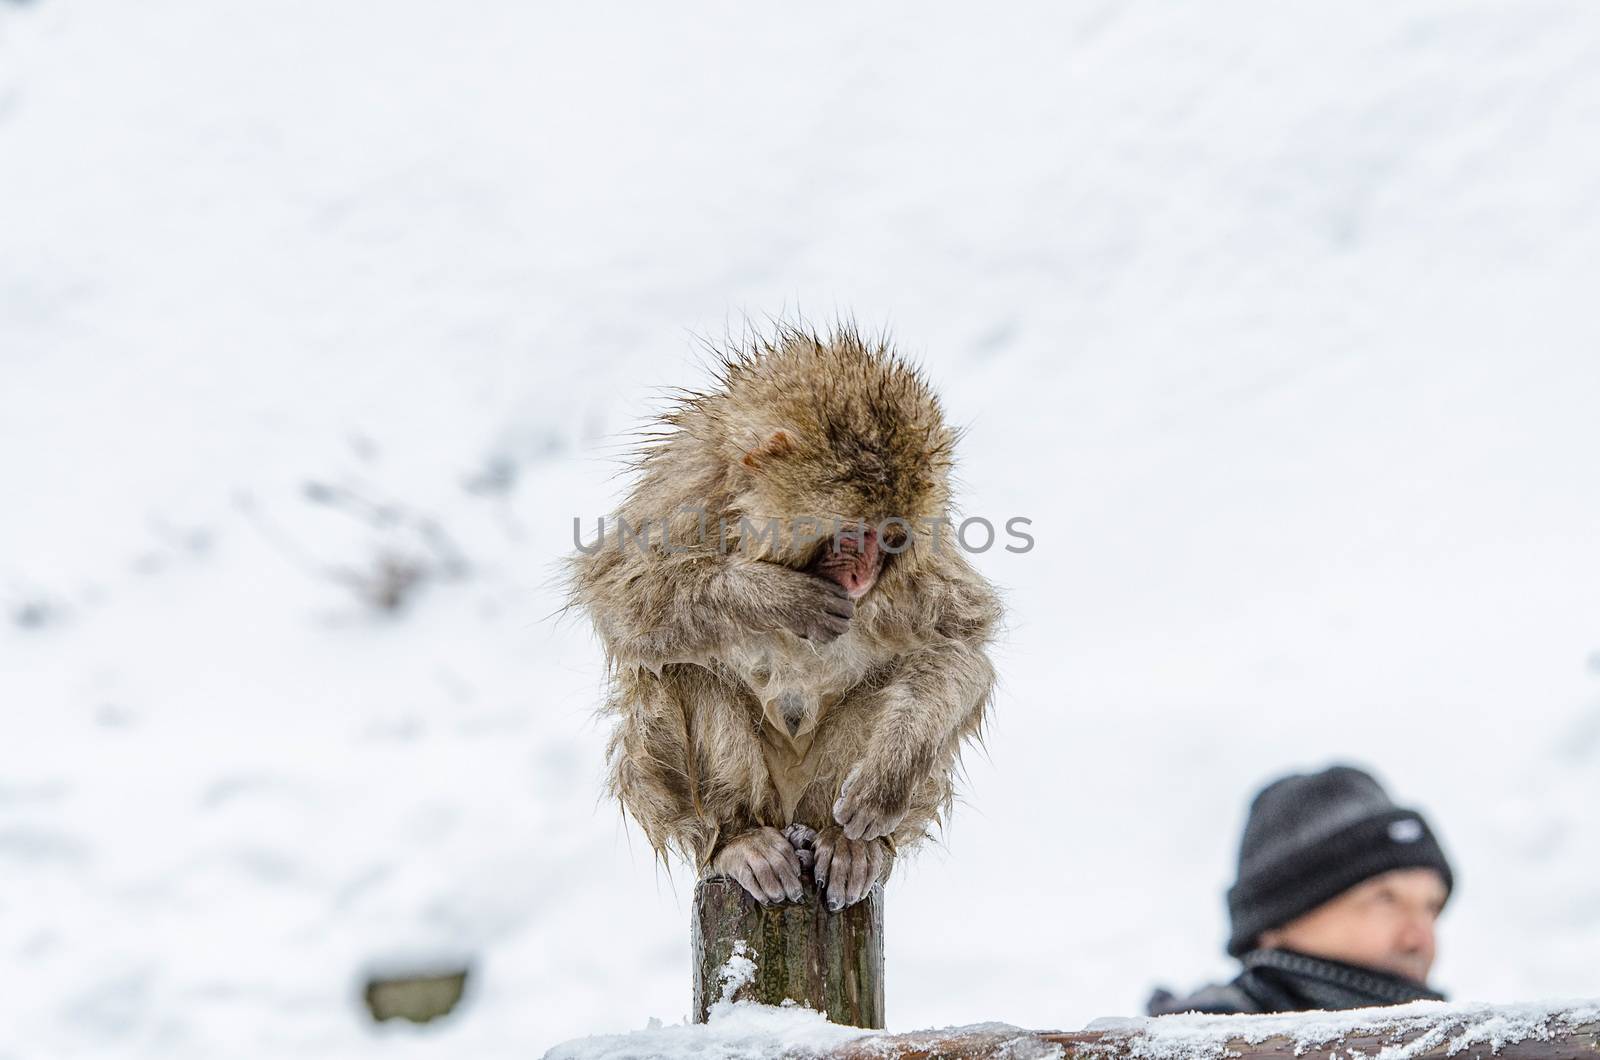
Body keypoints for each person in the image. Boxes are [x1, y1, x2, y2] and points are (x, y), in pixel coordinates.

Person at [1147, 764, 1453, 1015]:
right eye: (1384, 899)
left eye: (1431, 907)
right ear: (1276, 921)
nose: (1421, 940)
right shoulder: (1204, 1048)